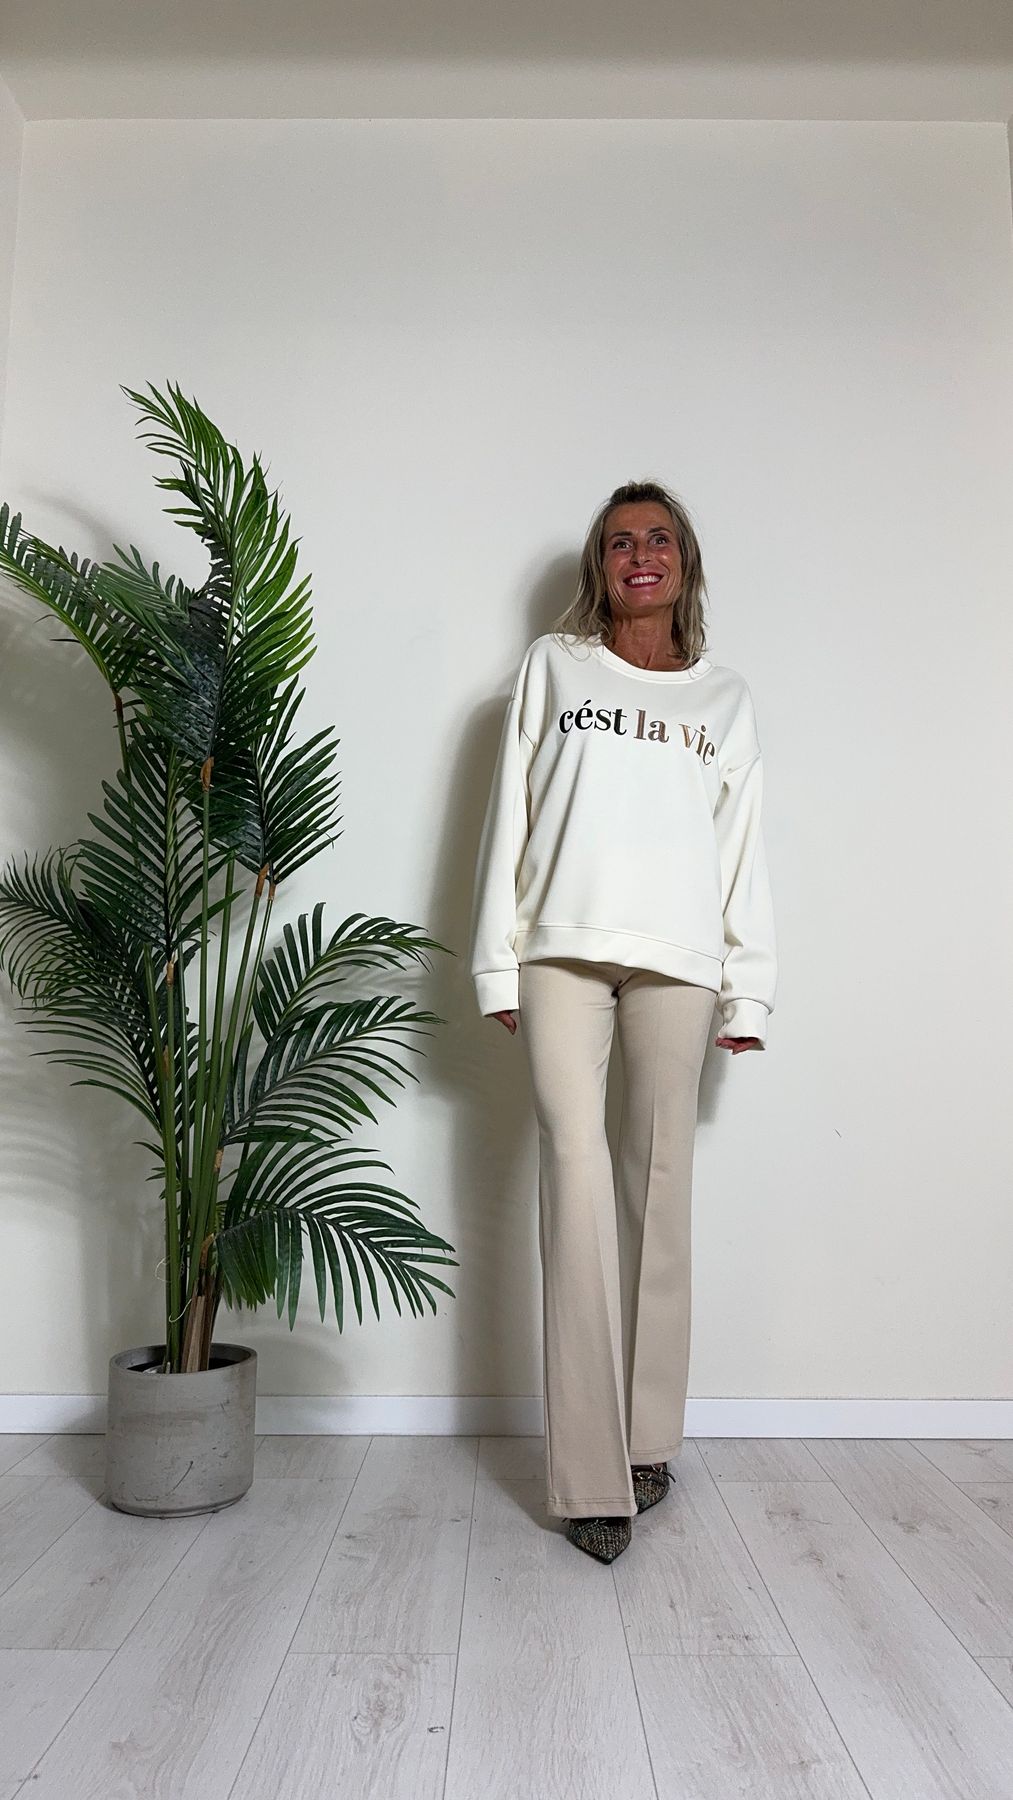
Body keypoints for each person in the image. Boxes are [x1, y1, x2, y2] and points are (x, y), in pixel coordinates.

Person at [468, 479, 777, 1565]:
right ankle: (589, 1476)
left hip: (679, 964)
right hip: (559, 947)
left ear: (683, 562)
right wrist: (495, 965)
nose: (638, 555)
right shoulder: (553, 668)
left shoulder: (724, 699)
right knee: (575, 1174)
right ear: (598, 568)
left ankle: (647, 1441)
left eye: (656, 539)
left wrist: (748, 987)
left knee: (660, 1183)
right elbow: (508, 812)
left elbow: (741, 850)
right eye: (617, 543)